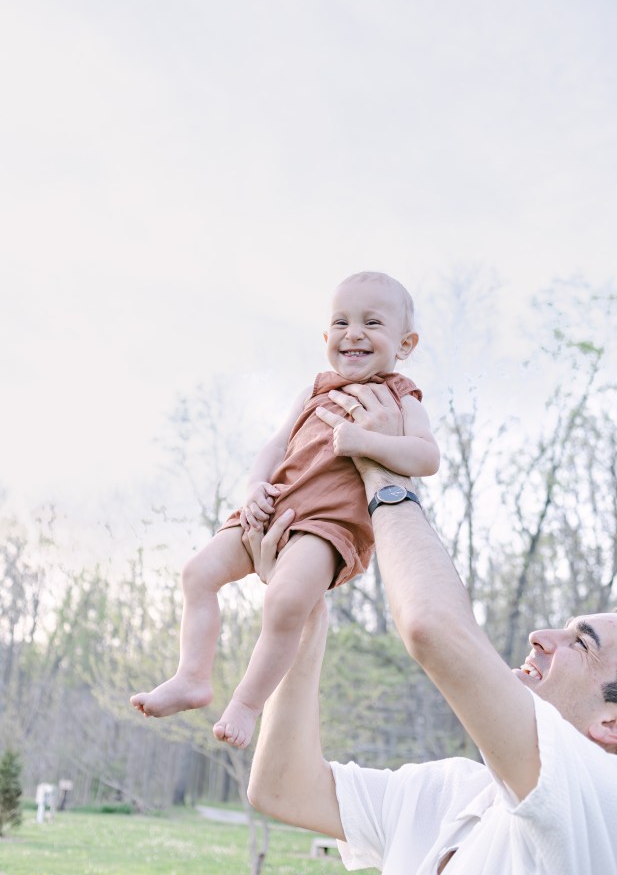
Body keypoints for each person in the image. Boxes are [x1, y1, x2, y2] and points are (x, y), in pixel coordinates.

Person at [247, 382, 617, 875]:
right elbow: (283, 787)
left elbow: (432, 627)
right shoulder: (455, 793)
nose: (541, 636)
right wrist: (301, 610)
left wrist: (385, 473)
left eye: (581, 644)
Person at [130, 271, 439, 748]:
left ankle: (248, 704)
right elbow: (276, 446)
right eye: (341, 322)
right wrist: (255, 486)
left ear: (406, 342)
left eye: (371, 322)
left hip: (328, 526)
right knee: (197, 573)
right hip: (272, 508)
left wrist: (368, 442)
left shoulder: (402, 395)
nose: (353, 332)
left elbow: (427, 457)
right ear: (326, 337)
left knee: (286, 600)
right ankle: (192, 676)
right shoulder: (316, 388)